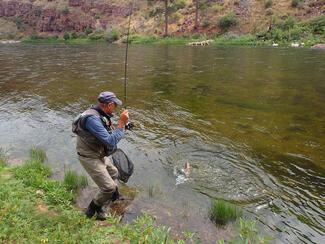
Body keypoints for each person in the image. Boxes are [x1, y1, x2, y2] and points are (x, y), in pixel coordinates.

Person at [73, 91, 129, 220]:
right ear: (109, 105)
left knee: (114, 173)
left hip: (98, 152)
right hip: (89, 156)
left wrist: (124, 126)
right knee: (108, 187)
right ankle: (93, 210)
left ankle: (114, 197)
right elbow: (110, 141)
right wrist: (121, 123)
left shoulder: (101, 114)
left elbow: (107, 133)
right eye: (115, 105)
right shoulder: (92, 119)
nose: (116, 107)